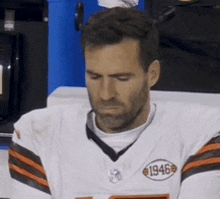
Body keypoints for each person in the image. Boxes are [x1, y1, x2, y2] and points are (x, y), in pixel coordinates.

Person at [9, 6, 220, 199]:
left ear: (152, 74)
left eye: (122, 79)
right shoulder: (38, 134)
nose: (106, 94)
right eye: (95, 77)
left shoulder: (200, 133)